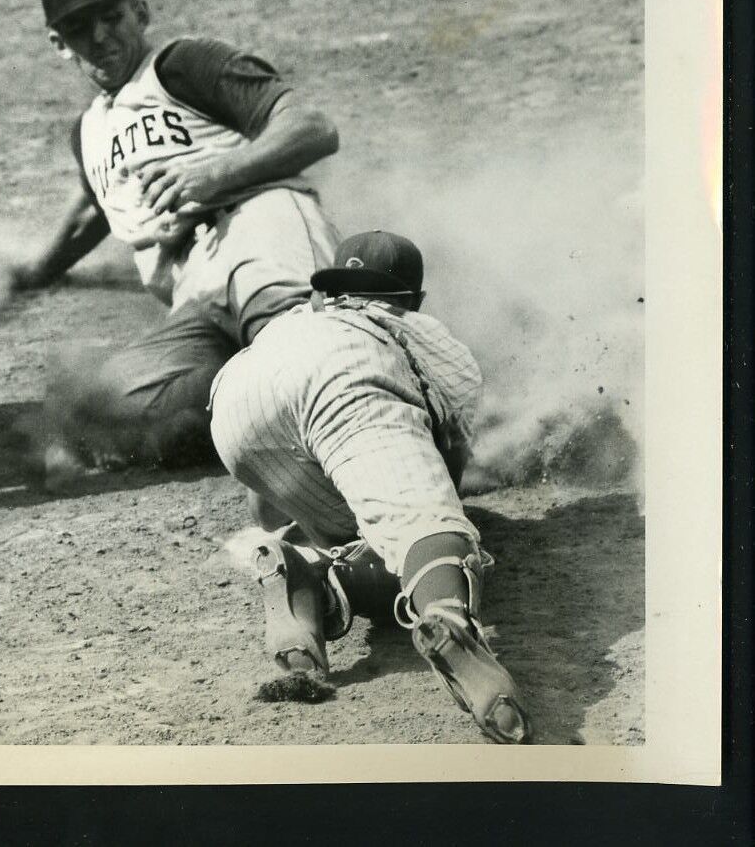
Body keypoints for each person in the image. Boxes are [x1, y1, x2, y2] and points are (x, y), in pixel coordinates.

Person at [10, 0, 341, 475]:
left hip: (255, 226)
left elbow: (312, 127)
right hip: (192, 299)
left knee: (303, 351)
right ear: (58, 43)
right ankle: (249, 409)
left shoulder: (182, 65)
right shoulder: (89, 131)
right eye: (78, 28)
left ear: (141, 12)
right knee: (97, 409)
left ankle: (424, 436)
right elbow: (92, 211)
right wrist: (31, 273)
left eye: (111, 17)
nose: (99, 37)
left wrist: (215, 173)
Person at [207, 230, 533, 744]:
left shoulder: (294, 320)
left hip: (236, 398)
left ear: (331, 286)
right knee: (431, 528)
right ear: (413, 299)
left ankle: (305, 572)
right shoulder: (417, 328)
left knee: (345, 529)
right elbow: (447, 467)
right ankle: (449, 618)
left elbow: (264, 507)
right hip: (345, 375)